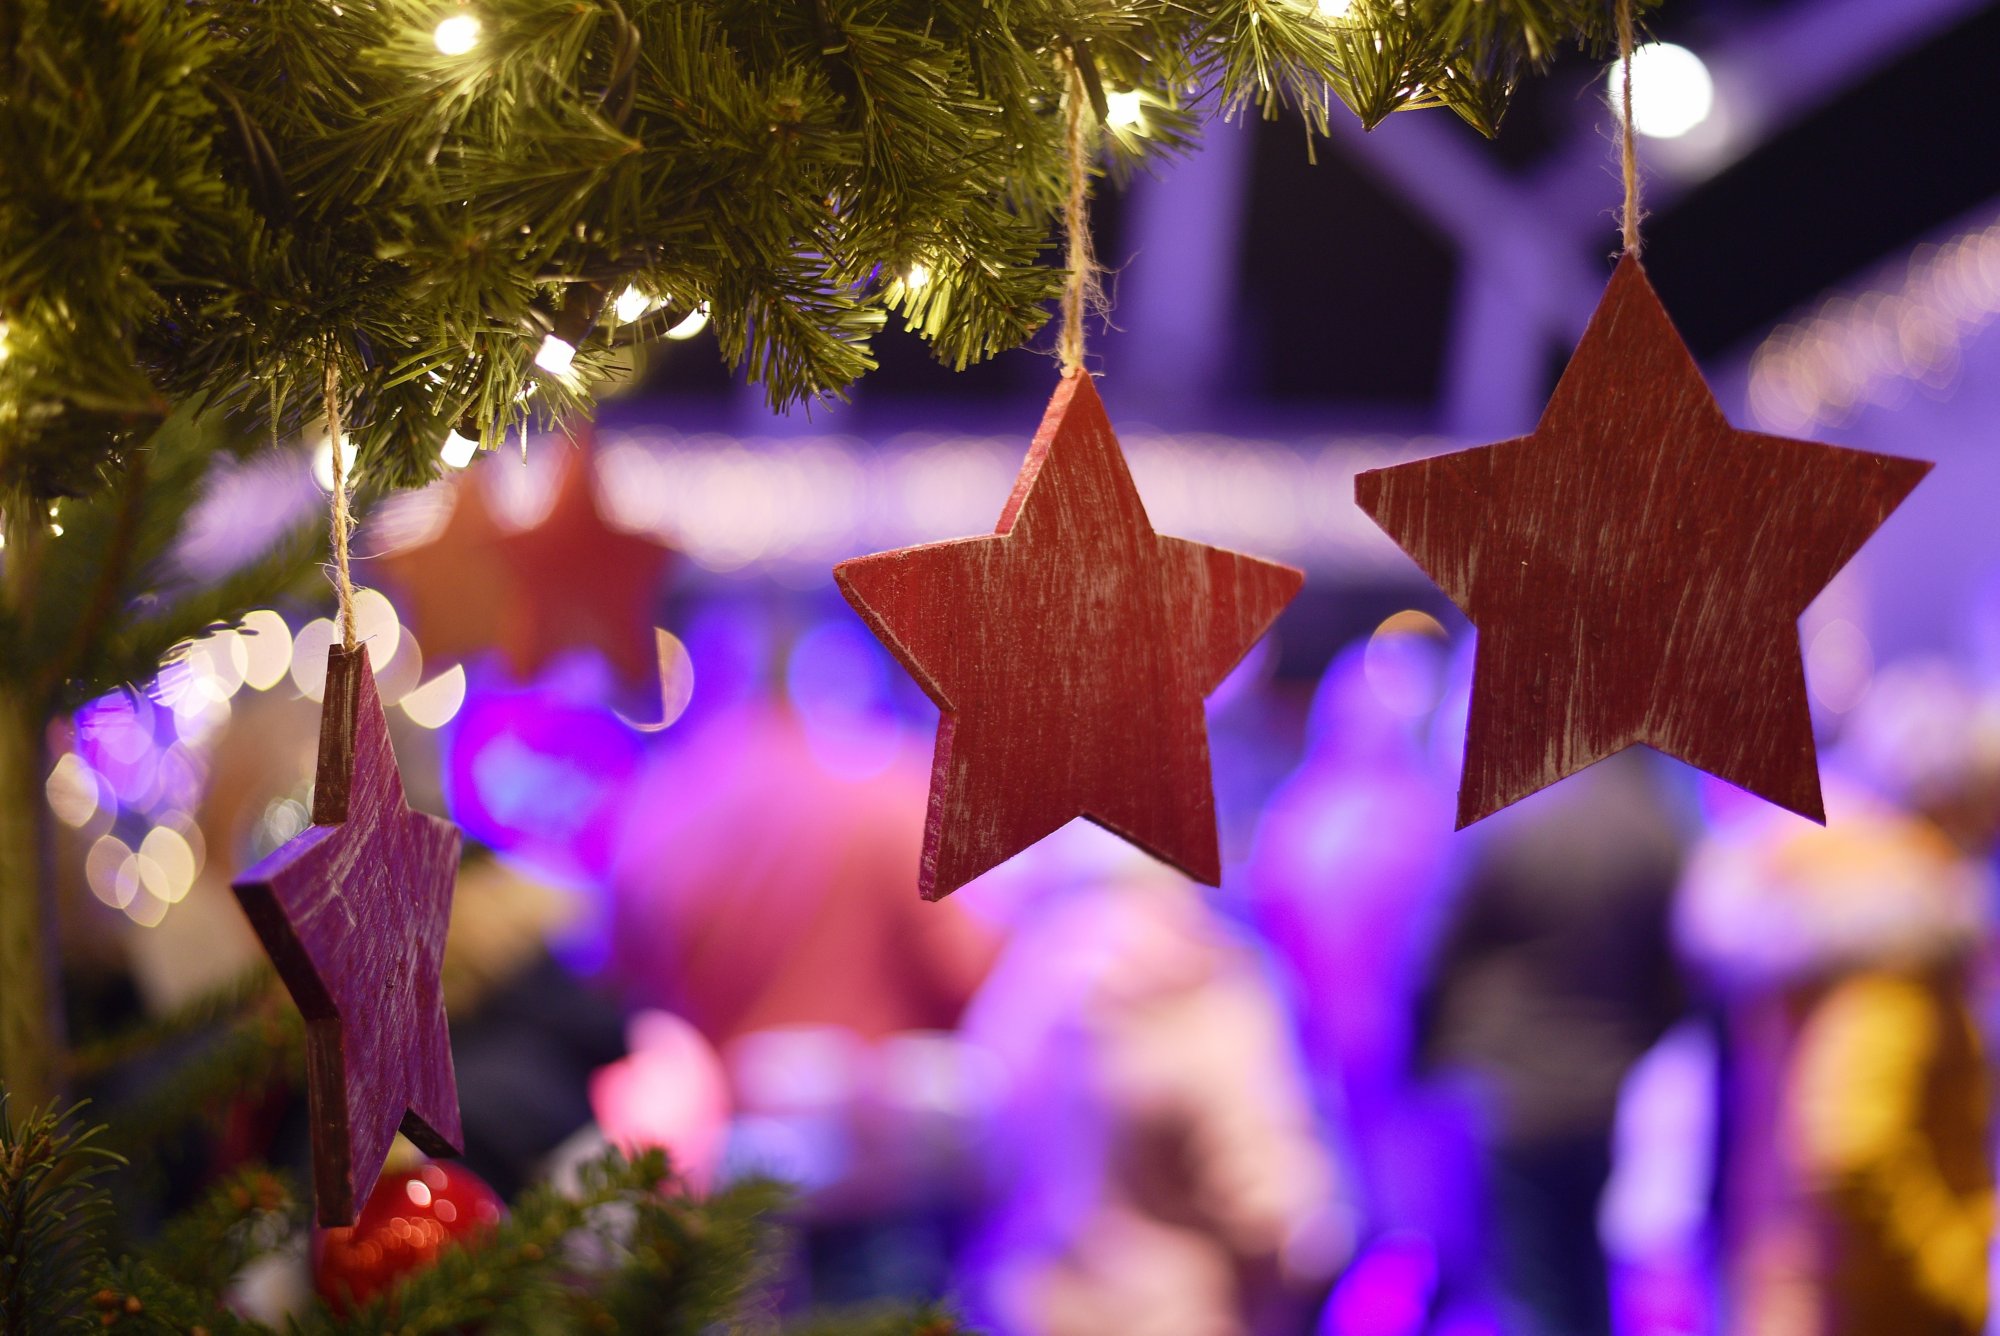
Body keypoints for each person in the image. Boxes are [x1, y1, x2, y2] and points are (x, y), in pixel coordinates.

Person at [961, 830, 1349, 1336]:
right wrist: (1311, 1238)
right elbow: (1259, 1188)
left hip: (1033, 1305)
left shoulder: (1023, 983)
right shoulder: (1192, 983)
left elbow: (982, 1143)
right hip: (1173, 1313)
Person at [1415, 754, 1687, 1336]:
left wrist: (1418, 1058)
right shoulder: (1658, 822)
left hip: (1510, 1092)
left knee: (1525, 1287)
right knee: (1589, 1277)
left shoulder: (1509, 816)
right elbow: (1674, 979)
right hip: (1609, 1089)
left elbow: (1437, 951)